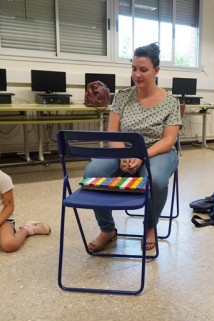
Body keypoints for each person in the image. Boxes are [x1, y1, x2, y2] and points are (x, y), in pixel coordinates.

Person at [83, 42, 182, 252]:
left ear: (156, 70)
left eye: (143, 70)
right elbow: (113, 131)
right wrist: (123, 155)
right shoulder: (122, 97)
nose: (137, 74)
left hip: (158, 151)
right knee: (92, 172)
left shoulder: (171, 101)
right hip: (125, 151)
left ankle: (150, 227)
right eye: (134, 69)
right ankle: (107, 230)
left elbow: (168, 140)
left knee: (156, 181)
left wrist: (142, 156)